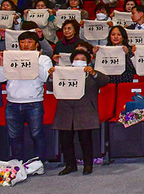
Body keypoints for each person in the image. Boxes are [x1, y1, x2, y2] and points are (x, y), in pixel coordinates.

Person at [49, 49, 110, 175]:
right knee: (65, 140)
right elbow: (50, 87)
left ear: (88, 61)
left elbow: (105, 80)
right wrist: (51, 76)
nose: (79, 62)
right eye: (77, 59)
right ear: (72, 61)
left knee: (85, 139)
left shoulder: (92, 74)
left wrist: (93, 73)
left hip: (85, 110)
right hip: (65, 110)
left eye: (82, 60)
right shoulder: (64, 72)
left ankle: (88, 165)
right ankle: (70, 165)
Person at [0, 31, 53, 169]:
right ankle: (18, 164)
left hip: (33, 102)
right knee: (14, 136)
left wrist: (35, 60)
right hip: (12, 103)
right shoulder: (12, 58)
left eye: (29, 42)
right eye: (23, 42)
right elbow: (1, 78)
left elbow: (45, 78)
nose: (26, 45)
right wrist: (1, 64)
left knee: (36, 134)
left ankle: (40, 163)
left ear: (36, 44)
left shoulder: (44, 59)